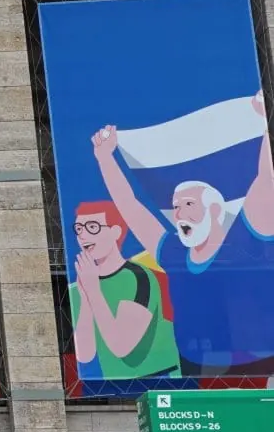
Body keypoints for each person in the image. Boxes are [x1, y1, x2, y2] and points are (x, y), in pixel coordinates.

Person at [92, 124, 274, 374]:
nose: (178, 213)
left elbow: (265, 179)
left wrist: (260, 125)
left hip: (256, 362)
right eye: (176, 207)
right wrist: (105, 158)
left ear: (214, 210)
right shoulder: (173, 252)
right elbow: (130, 206)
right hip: (196, 367)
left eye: (188, 204)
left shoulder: (242, 238)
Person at [69, 199, 177, 379]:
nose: (83, 235)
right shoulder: (83, 283)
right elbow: (85, 355)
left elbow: (122, 346)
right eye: (79, 229)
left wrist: (93, 291)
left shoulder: (139, 276)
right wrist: (86, 294)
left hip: (159, 378)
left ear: (115, 232)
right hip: (113, 382)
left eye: (93, 227)